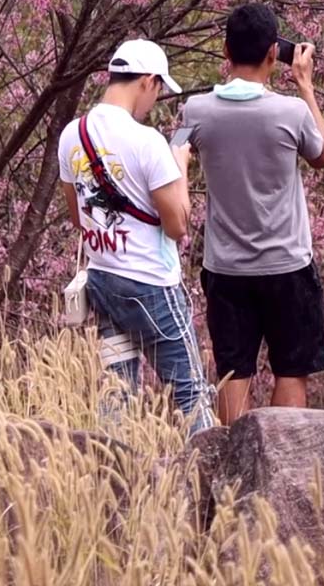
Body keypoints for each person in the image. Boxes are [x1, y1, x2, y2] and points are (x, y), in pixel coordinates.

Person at [181, 3, 324, 424]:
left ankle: (235, 470)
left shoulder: (195, 111)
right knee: (290, 367)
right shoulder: (291, 112)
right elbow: (323, 154)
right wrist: (305, 85)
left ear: (225, 50)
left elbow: (181, 149)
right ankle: (284, 470)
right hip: (288, 265)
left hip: (226, 267)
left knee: (234, 371)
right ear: (273, 53)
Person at [58, 39, 216, 434]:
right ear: (147, 81)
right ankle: (215, 488)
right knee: (190, 392)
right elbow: (178, 226)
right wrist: (179, 164)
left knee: (117, 394)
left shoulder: (71, 135)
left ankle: (113, 480)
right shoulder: (148, 142)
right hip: (152, 286)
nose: (156, 97)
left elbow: (78, 216)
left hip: (103, 281)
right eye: (159, 88)